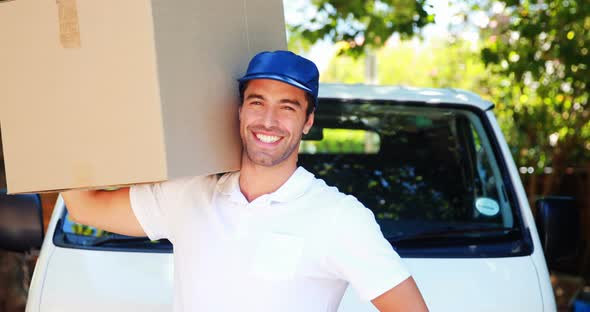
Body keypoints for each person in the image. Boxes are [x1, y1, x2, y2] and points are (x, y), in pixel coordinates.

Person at [62, 50, 429, 312]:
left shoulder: (339, 217)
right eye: (257, 102)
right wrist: (66, 115)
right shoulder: (189, 193)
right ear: (239, 111)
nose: (268, 121)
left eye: (287, 107)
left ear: (307, 122)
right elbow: (84, 206)